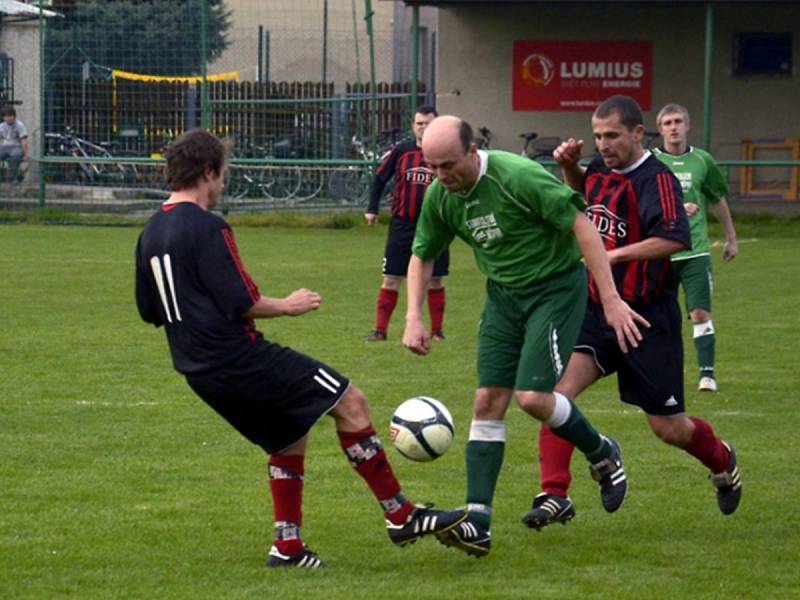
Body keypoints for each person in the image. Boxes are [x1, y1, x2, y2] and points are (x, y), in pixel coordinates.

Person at [135, 129, 466, 569]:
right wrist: (289, 306)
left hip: (198, 371)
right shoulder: (209, 227)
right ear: (207, 172)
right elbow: (242, 302)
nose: (221, 186)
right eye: (222, 176)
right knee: (349, 400)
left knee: (289, 433)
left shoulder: (151, 232)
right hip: (238, 358)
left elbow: (149, 311)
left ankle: (287, 546)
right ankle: (401, 515)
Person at [403, 115, 648, 558]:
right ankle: (477, 521)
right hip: (503, 296)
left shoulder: (517, 177)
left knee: (532, 398)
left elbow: (581, 224)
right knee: (486, 401)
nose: (441, 176)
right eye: (432, 166)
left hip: (554, 288)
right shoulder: (441, 196)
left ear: (473, 152)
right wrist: (412, 317)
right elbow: (421, 254)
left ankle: (602, 451)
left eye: (449, 165)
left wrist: (610, 299)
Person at [524, 95, 742, 533]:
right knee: (553, 398)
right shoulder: (601, 167)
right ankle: (555, 493)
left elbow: (675, 237)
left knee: (668, 428)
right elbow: (587, 200)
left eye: (612, 136)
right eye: (597, 135)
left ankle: (723, 461)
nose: (602, 144)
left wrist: (613, 255)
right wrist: (570, 168)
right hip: (596, 308)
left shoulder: (657, 179)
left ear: (638, 133)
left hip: (645, 318)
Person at [653, 103, 738, 392]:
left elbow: (717, 198)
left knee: (699, 313)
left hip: (695, 250)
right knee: (658, 316)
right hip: (658, 250)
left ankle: (707, 374)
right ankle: (659, 374)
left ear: (688, 126)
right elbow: (639, 202)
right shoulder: (649, 162)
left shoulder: (703, 160)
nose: (673, 127)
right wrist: (674, 208)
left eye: (678, 121)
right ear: (660, 128)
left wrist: (731, 237)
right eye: (667, 123)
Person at [364, 105, 449, 342]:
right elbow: (380, 178)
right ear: (413, 126)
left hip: (436, 226)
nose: (423, 128)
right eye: (419, 123)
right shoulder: (402, 151)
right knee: (391, 277)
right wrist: (372, 209)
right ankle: (380, 331)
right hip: (403, 224)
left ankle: (437, 332)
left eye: (428, 123)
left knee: (435, 279)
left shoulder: (444, 152)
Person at [0, 106, 28, 184]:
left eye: (10, 116)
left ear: (14, 116)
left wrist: (25, 154)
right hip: (5, 146)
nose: (8, 118)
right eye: (5, 116)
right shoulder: (1, 126)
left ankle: (14, 178)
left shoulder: (20, 125)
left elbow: (24, 140)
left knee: (15, 156)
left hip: (16, 146)